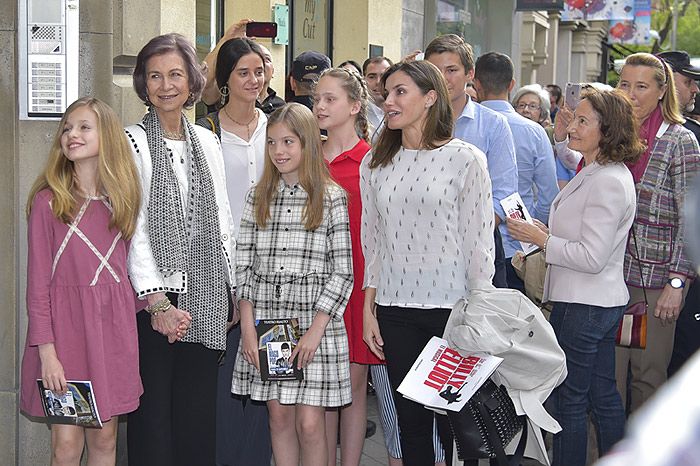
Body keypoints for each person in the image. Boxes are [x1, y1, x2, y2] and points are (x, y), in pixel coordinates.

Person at [361, 60, 495, 466]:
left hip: (450, 310)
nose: (389, 101)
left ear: (430, 97)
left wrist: (479, 307)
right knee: (410, 419)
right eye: (387, 92)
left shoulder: (466, 159)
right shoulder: (376, 163)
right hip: (396, 308)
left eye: (401, 91)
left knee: (455, 421)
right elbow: (374, 241)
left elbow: (479, 241)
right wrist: (369, 308)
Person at [507, 87, 642, 466]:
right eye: (574, 117)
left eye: (583, 120)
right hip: (588, 301)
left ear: (608, 129)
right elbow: (583, 239)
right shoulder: (599, 170)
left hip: (586, 304)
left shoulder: (608, 179)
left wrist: (542, 238)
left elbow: (592, 256)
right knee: (600, 394)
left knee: (571, 401)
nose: (573, 126)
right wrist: (540, 231)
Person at [125, 33, 236, 466]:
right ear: (144, 84)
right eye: (155, 76)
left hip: (206, 297)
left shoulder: (208, 141)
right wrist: (157, 303)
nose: (166, 85)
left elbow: (223, 221)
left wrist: (228, 289)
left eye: (175, 74)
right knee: (153, 419)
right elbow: (131, 227)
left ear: (192, 81)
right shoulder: (130, 140)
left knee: (196, 418)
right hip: (155, 300)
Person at [20, 97, 142, 465]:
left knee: (105, 442)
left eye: (84, 127)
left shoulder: (124, 199)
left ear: (107, 136)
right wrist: (47, 353)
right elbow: (38, 285)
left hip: (113, 336)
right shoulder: (48, 202)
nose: (72, 134)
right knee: (66, 447)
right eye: (67, 128)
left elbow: (132, 273)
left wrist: (157, 307)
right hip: (65, 340)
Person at [231, 103, 354, 466]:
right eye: (271, 143)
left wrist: (316, 331)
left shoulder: (330, 197)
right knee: (279, 416)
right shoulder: (258, 196)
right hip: (268, 321)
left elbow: (343, 271)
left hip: (315, 323)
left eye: (288, 142)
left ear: (308, 144)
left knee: (310, 423)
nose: (279, 151)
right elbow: (244, 265)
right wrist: (250, 328)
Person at [195, 37, 273, 466]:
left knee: (269, 367)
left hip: (274, 264)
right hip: (222, 266)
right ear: (224, 79)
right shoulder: (205, 131)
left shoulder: (277, 126)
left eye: (259, 71)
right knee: (227, 372)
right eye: (243, 72)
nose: (253, 80)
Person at [615, 52, 700, 413]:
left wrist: (677, 283)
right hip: (606, 278)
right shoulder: (611, 134)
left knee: (647, 379)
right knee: (608, 380)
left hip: (653, 283)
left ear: (663, 92)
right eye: (624, 84)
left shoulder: (680, 141)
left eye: (641, 86)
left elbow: (692, 219)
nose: (630, 94)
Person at [312, 67, 381, 466]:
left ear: (355, 106)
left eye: (330, 99)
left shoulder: (372, 162)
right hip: (315, 286)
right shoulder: (305, 159)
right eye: (316, 98)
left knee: (353, 387)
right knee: (320, 391)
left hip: (357, 285)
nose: (319, 106)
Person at [424, 34, 518, 289]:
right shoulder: (410, 122)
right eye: (435, 70)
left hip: (479, 249)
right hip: (421, 247)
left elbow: (506, 194)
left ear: (470, 74)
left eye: (452, 70)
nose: (443, 78)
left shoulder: (493, 125)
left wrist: (470, 228)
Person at [474, 52, 558, 292]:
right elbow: (548, 194)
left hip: (470, 246)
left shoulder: (459, 123)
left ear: (476, 83)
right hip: (518, 246)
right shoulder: (533, 131)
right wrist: (534, 233)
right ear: (511, 85)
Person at [656, 51, 700, 378]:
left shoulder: (687, 136)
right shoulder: (680, 137)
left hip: (681, 275)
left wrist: (677, 279)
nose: (695, 90)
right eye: (689, 82)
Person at [362, 56, 393, 143]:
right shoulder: (356, 115)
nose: (378, 82)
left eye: (384, 76)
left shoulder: (403, 111)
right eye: (372, 77)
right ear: (363, 79)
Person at [257, 43, 286, 115]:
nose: (262, 63)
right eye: (258, 58)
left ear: (273, 71)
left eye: (267, 59)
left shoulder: (281, 107)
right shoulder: (241, 101)